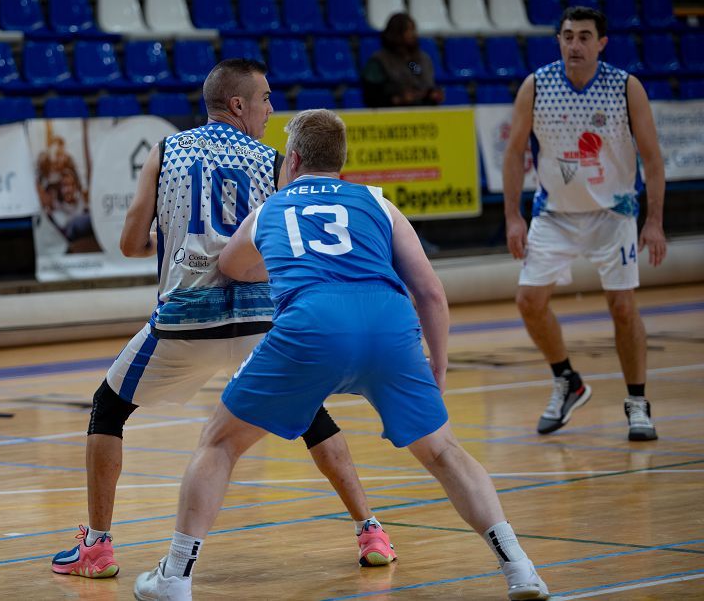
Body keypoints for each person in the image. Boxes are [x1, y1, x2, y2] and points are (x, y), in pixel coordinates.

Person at [134, 109, 550, 601]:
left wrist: (285, 266)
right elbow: (432, 294)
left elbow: (232, 266)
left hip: (312, 324)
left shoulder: (272, 208)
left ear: (292, 159)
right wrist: (436, 364)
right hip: (389, 325)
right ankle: (520, 568)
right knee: (444, 452)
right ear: (341, 161)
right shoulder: (378, 202)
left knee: (220, 442)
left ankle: (175, 577)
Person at [50, 60, 395, 580]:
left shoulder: (166, 152)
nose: (271, 109)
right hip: (259, 320)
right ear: (238, 105)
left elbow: (128, 244)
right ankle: (371, 530)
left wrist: (169, 243)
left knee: (108, 408)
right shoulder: (276, 161)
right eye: (265, 98)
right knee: (312, 417)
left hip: (185, 321)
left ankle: (97, 548)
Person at [502, 6, 667, 441]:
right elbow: (514, 153)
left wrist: (655, 222)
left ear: (601, 43)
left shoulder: (625, 87)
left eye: (584, 36)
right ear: (558, 40)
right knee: (528, 301)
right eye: (568, 36)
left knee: (622, 307)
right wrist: (513, 216)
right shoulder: (535, 86)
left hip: (615, 214)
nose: (574, 44)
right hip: (554, 214)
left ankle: (637, 402)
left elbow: (651, 158)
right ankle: (567, 380)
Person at [362, 12, 445, 108]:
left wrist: (432, 94)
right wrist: (398, 99)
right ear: (396, 34)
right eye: (408, 30)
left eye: (413, 30)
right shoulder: (380, 61)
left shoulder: (413, 62)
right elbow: (371, 97)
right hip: (393, 117)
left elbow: (420, 78)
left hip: (424, 115)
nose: (413, 35)